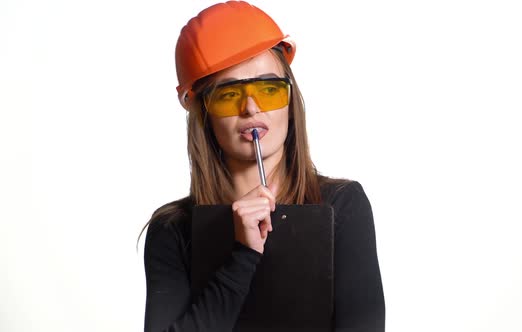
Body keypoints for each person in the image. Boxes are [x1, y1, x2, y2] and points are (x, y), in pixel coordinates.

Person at [141, 1, 385, 331]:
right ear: (203, 113)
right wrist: (242, 256)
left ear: (289, 100)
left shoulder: (341, 205)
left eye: (269, 89)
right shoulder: (172, 229)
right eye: (229, 95)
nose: (251, 108)